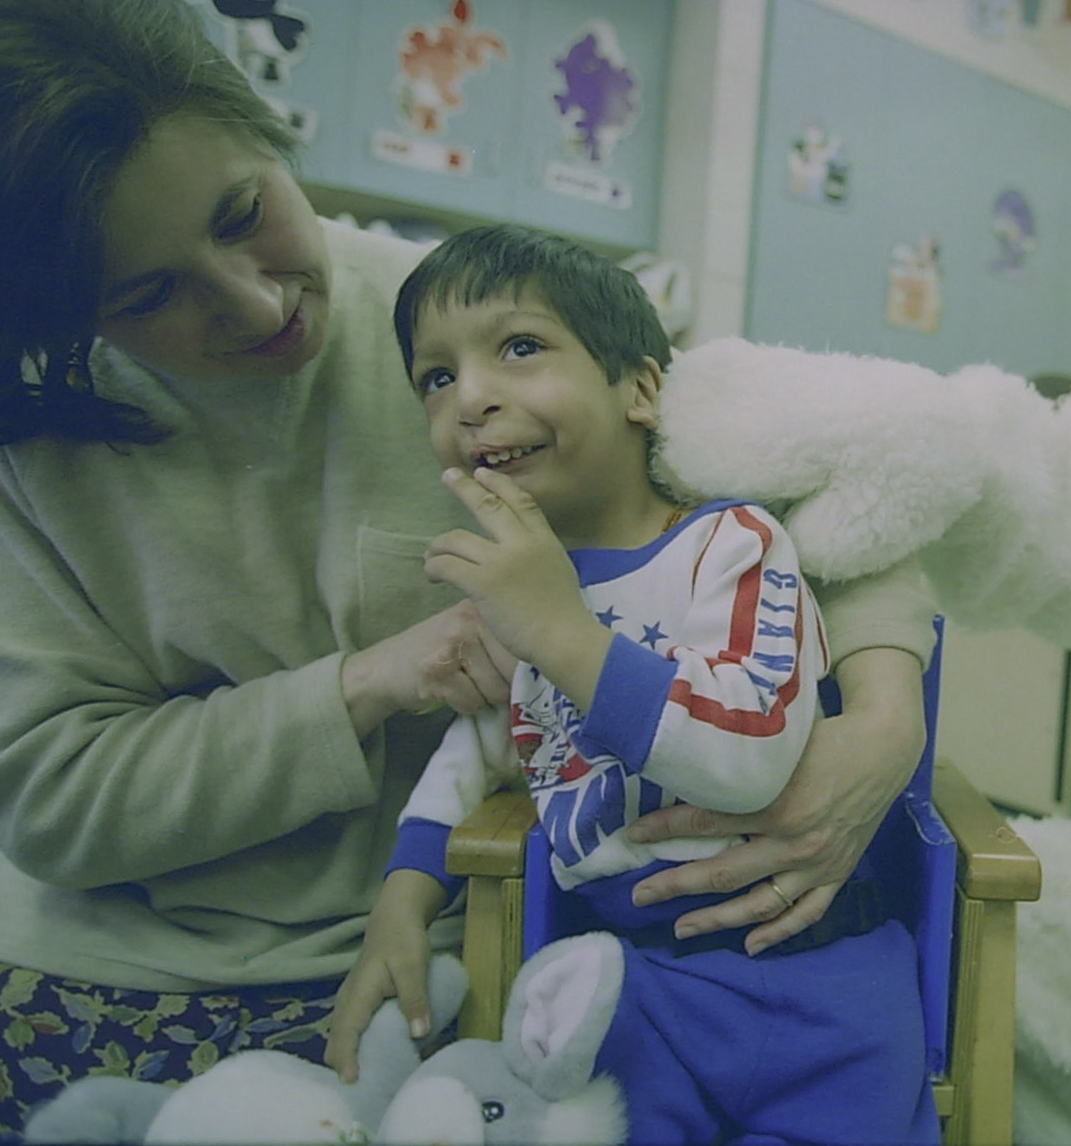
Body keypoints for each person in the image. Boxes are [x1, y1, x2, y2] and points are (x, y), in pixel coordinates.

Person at [0, 0, 935, 1134]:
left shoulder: (479, 319)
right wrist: (369, 682)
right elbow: (50, 795)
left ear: (269, 132)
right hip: (123, 962)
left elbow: (834, 514)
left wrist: (883, 723)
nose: (255, 300)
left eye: (246, 213)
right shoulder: (35, 447)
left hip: (464, 949)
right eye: (148, 294)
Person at [332, 224, 939, 1143]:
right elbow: (484, 744)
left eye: (520, 347)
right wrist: (402, 902)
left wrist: (559, 631)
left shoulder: (731, 543)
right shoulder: (523, 588)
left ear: (641, 390)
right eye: (437, 377)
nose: (470, 399)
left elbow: (748, 756)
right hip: (636, 984)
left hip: (815, 981)